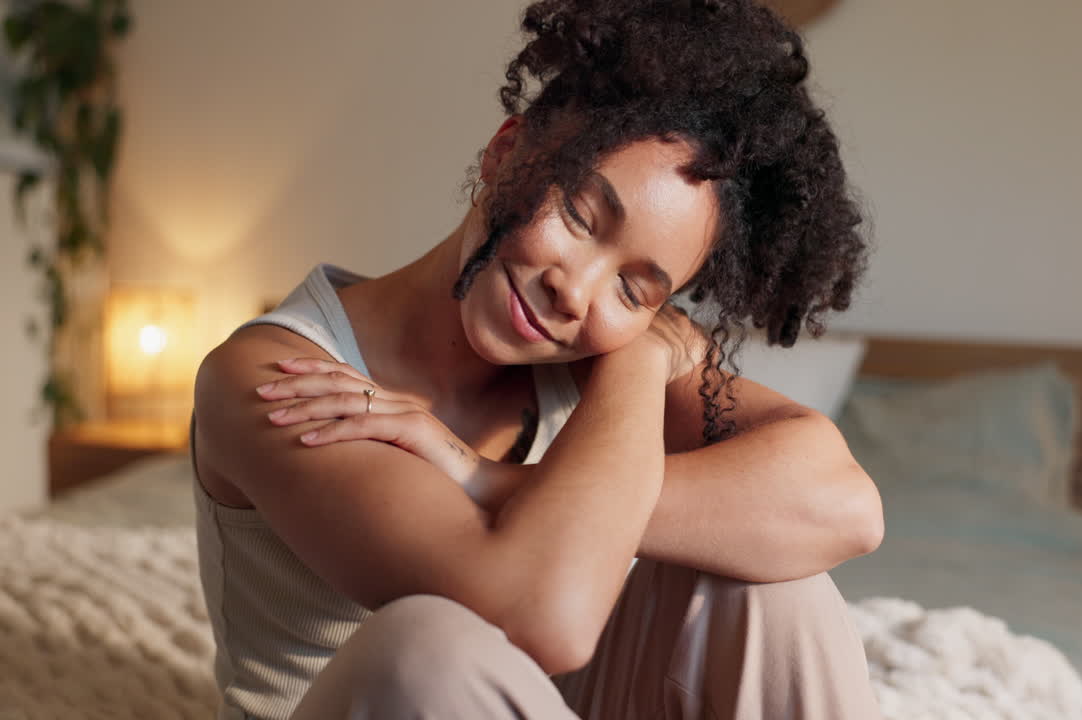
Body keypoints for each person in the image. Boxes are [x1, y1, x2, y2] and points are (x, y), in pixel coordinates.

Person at [190, 1, 884, 718]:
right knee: (427, 646)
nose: (574, 292)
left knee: (765, 581)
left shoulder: (620, 351)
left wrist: (487, 476)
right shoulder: (267, 375)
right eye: (581, 218)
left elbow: (847, 508)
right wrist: (643, 361)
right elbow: (542, 616)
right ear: (506, 152)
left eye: (634, 287)